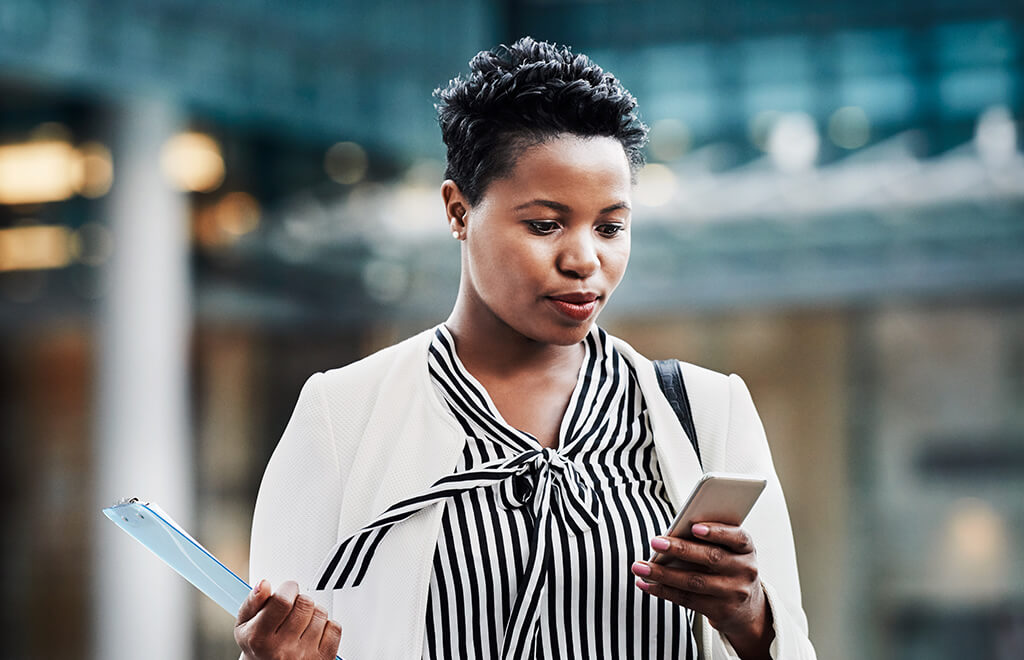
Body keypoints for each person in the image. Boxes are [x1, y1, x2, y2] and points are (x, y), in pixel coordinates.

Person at [233, 37, 816, 660]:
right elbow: (276, 640)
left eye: (611, 227)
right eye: (545, 224)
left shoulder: (708, 411)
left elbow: (792, 648)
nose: (585, 259)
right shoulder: (341, 415)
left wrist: (751, 620)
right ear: (459, 210)